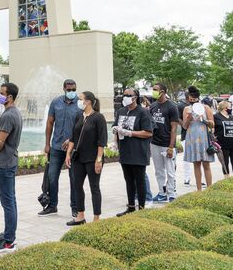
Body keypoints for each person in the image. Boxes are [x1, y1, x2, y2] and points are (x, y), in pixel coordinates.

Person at [0, 83, 23, 253]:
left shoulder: (9, 115)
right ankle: (8, 233)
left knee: (8, 202)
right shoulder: (15, 112)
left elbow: (0, 141)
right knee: (10, 201)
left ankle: (9, 241)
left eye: (1, 94)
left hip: (4, 164)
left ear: (10, 97)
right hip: (9, 162)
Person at [65, 91, 106, 225]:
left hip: (92, 158)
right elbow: (73, 137)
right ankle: (80, 216)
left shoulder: (98, 117)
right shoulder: (79, 116)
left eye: (80, 99)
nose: (78, 101)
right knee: (77, 185)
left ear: (87, 101)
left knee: (94, 187)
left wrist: (98, 160)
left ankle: (96, 218)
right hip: (78, 158)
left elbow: (102, 141)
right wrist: (68, 154)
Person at [40, 79, 80, 217]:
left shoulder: (80, 103)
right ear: (63, 89)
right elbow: (50, 123)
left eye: (74, 89)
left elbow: (82, 126)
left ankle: (75, 207)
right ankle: (52, 205)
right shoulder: (56, 102)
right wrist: (47, 144)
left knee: (74, 178)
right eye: (69, 90)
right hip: (56, 147)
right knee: (52, 177)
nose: (71, 92)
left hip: (73, 149)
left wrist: (71, 140)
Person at [113, 88, 153, 216]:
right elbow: (116, 126)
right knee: (128, 180)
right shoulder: (121, 111)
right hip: (125, 151)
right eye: (124, 95)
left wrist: (130, 133)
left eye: (128, 95)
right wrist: (115, 138)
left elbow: (148, 132)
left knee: (139, 180)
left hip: (138, 151)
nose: (125, 97)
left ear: (135, 97)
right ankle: (131, 207)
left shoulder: (143, 112)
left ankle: (141, 209)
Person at [149, 83, 179, 203]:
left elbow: (174, 128)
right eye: (153, 89)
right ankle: (162, 193)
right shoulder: (153, 106)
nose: (153, 92)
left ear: (163, 91)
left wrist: (171, 147)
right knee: (159, 170)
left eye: (155, 90)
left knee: (170, 171)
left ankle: (171, 193)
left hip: (167, 144)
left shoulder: (172, 106)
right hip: (155, 143)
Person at [182, 86, 215, 191]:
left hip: (204, 138)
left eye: (194, 99)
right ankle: (199, 190)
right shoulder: (186, 109)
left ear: (198, 98)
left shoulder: (206, 108)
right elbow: (184, 126)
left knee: (206, 164)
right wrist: (188, 118)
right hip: (192, 138)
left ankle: (209, 189)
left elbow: (212, 124)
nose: (192, 101)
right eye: (190, 100)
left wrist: (204, 120)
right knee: (196, 164)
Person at [213, 100, 233, 176]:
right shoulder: (216, 117)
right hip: (223, 144)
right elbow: (212, 128)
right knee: (225, 163)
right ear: (225, 108)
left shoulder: (232, 117)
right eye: (230, 107)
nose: (231, 108)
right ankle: (227, 180)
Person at [177, 94, 193, 186]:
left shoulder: (198, 104)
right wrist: (185, 124)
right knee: (186, 157)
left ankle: (199, 178)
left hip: (197, 135)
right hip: (185, 135)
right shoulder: (180, 106)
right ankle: (187, 177)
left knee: (199, 158)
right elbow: (177, 118)